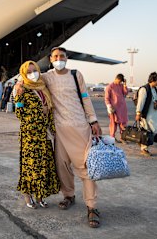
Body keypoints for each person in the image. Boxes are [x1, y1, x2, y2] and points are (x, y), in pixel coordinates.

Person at [17, 47, 102, 228]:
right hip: (59, 131)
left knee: (86, 168)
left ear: (67, 58)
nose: (58, 59)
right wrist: (18, 85)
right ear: (50, 59)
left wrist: (93, 120)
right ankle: (69, 195)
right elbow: (28, 75)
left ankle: (92, 206)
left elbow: (85, 97)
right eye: (55, 56)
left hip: (79, 127)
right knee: (62, 167)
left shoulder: (75, 75)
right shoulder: (47, 76)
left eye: (61, 56)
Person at [14, 61, 60, 209]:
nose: (32, 74)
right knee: (30, 167)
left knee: (44, 166)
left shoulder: (43, 88)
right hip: (30, 136)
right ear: (23, 74)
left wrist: (53, 128)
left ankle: (40, 196)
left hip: (45, 135)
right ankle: (27, 195)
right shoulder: (21, 89)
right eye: (29, 72)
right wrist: (41, 113)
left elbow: (50, 110)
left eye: (35, 71)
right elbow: (19, 114)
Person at [135, 72, 157, 157]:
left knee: (154, 130)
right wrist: (138, 113)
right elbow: (141, 102)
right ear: (153, 80)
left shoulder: (154, 89)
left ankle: (141, 142)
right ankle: (144, 149)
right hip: (147, 115)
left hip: (154, 115)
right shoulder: (144, 89)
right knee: (146, 132)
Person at [104, 73, 129, 144]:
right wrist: (109, 106)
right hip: (113, 109)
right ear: (116, 79)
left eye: (121, 81)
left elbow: (126, 93)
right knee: (113, 124)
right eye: (119, 81)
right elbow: (106, 98)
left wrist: (124, 85)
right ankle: (112, 138)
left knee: (123, 124)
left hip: (122, 108)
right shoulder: (110, 87)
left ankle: (123, 138)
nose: (119, 82)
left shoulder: (121, 85)